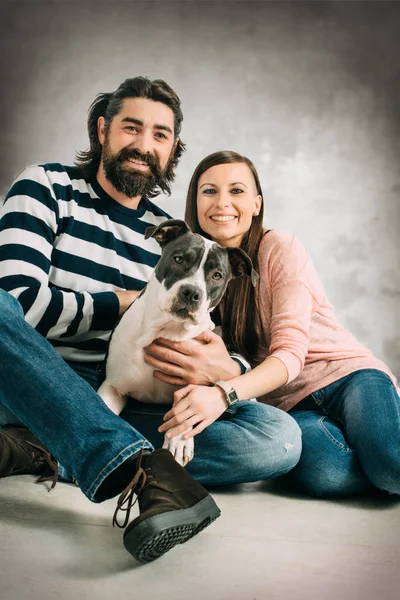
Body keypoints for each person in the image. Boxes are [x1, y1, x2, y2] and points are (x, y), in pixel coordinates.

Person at [0, 79, 301, 563]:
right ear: (103, 130)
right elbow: (18, 302)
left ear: (173, 149)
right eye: (131, 128)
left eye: (160, 135)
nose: (144, 145)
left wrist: (226, 369)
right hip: (30, 379)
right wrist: (122, 302)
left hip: (115, 395)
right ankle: (140, 472)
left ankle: (49, 446)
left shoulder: (173, 238)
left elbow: (203, 322)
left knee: (277, 438)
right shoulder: (47, 186)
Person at [151, 149, 400, 499]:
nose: (222, 202)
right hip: (288, 408)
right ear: (194, 202)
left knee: (391, 468)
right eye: (209, 191)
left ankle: (385, 452)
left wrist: (224, 394)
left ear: (256, 204)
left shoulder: (280, 248)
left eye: (236, 191)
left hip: (348, 377)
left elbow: (291, 355)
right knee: (325, 473)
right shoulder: (187, 274)